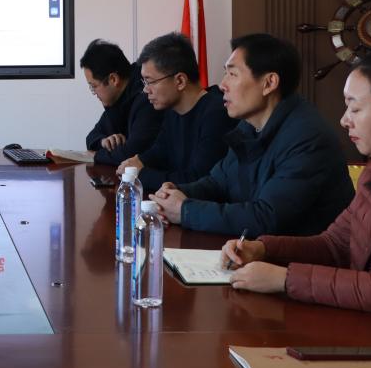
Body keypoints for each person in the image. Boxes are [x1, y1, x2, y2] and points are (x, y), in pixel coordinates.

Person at [221, 46, 371, 362]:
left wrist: (284, 279)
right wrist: (263, 249)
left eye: (355, 108)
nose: (344, 120)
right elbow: (335, 245)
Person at [151, 33, 352, 236]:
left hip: (298, 254)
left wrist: (185, 211)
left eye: (233, 74)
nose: (222, 85)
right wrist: (177, 192)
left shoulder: (307, 138)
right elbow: (218, 183)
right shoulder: (250, 125)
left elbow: (266, 217)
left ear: (269, 83)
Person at [117, 32, 237, 192]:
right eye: (144, 82)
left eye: (150, 81)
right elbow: (160, 152)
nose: (145, 90)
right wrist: (137, 161)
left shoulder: (217, 114)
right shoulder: (173, 111)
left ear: (180, 81)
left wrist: (139, 175)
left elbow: (198, 179)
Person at [81, 39, 163, 165]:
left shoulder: (148, 98)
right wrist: (104, 141)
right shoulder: (117, 99)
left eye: (94, 86)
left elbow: (131, 154)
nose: (94, 93)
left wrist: (96, 156)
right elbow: (92, 137)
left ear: (113, 79)